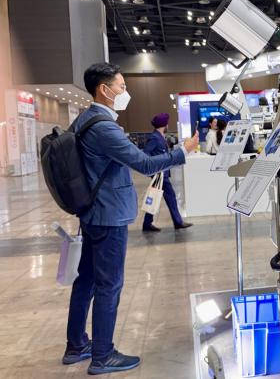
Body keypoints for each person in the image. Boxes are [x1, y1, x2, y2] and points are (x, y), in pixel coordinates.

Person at [62, 63, 199, 375]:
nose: (125, 92)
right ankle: (103, 355)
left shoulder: (84, 120)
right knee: (109, 284)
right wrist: (183, 151)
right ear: (104, 90)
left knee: (86, 280)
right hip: (108, 215)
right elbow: (145, 164)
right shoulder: (103, 126)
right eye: (121, 86)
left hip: (92, 213)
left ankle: (76, 344)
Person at [142, 113, 193, 232]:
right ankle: (177, 222)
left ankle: (147, 224)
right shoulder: (154, 137)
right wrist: (153, 168)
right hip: (159, 174)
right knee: (170, 196)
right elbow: (145, 153)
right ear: (164, 124)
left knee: (155, 197)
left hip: (161, 174)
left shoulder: (159, 136)